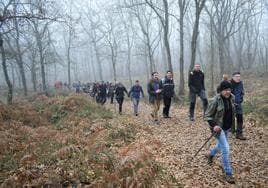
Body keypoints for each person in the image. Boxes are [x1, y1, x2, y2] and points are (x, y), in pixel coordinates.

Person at [205, 80, 236, 184]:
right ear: (221, 90)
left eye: (229, 89)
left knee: (220, 145)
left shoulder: (232, 98)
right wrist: (214, 125)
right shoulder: (215, 100)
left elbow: (231, 113)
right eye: (225, 90)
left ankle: (210, 154)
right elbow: (207, 115)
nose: (228, 92)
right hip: (218, 129)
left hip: (227, 127)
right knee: (225, 149)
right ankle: (228, 172)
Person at [230, 72, 246, 140]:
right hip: (230, 104)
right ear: (233, 77)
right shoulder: (229, 83)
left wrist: (241, 97)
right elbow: (220, 90)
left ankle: (239, 134)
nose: (238, 78)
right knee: (230, 118)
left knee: (240, 118)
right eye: (236, 76)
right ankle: (231, 129)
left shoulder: (240, 83)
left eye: (239, 76)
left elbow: (242, 91)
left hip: (238, 103)